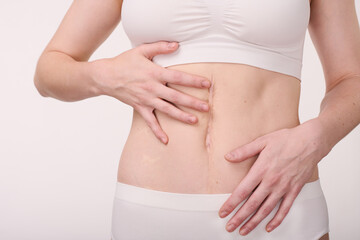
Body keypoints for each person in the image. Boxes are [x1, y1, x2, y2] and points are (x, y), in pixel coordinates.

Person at [33, 0, 360, 239]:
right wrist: (104, 75)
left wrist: (317, 138)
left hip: (279, 205)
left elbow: (351, 78)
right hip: (152, 211)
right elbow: (49, 71)